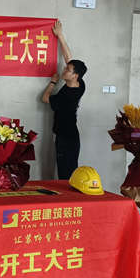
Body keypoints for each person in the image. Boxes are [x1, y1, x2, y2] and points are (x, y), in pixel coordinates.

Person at [42, 20, 87, 180]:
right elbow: (69, 58)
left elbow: (45, 98)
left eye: (67, 70)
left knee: (65, 174)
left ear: (75, 75)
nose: (64, 70)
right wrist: (60, 36)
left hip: (65, 138)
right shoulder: (80, 84)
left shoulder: (66, 97)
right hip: (71, 135)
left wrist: (53, 82)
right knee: (69, 171)